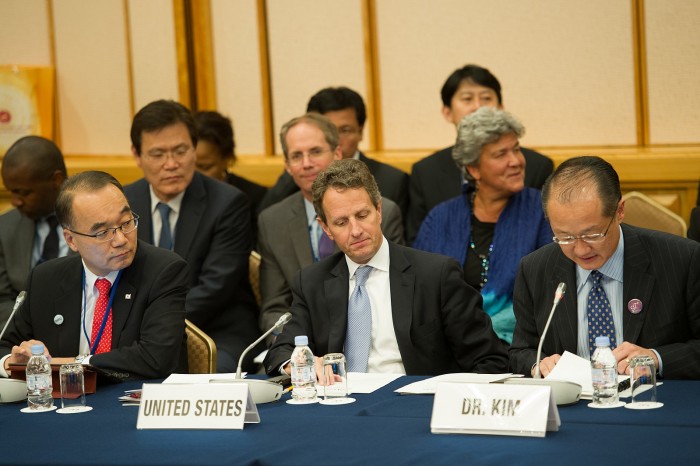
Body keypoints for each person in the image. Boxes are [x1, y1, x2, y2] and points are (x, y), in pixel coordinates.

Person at [264, 158, 508, 377]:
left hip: (411, 403)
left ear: (379, 211)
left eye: (362, 215)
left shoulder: (436, 275)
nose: (356, 230)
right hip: (339, 401)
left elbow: (489, 358)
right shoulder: (311, 283)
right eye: (341, 222)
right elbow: (280, 352)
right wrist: (300, 363)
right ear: (326, 228)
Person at [510, 156, 700, 379]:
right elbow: (520, 351)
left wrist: (656, 358)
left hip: (651, 396)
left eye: (593, 234)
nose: (581, 250)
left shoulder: (682, 259)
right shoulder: (534, 269)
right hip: (572, 399)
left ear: (619, 211)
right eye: (565, 237)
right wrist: (539, 364)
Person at [0, 171, 189, 379]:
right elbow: (5, 346)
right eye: (102, 233)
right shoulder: (45, 279)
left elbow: (156, 357)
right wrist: (11, 361)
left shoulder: (163, 271)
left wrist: (73, 364)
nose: (120, 240)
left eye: (126, 222)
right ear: (71, 240)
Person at [124, 99, 261, 372]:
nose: (171, 164)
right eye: (157, 154)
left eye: (180, 151)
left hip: (215, 329)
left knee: (214, 377)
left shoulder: (228, 203)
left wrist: (154, 323)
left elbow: (215, 288)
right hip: (138, 331)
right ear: (137, 155)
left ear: (194, 149)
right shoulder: (123, 202)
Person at [413, 107, 552, 345]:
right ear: (473, 169)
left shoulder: (543, 212)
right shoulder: (440, 219)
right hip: (447, 346)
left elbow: (549, 291)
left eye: (516, 149)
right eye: (501, 154)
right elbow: (419, 291)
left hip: (521, 346)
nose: (516, 161)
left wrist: (479, 332)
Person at [257, 113, 405, 332]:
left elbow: (392, 292)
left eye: (315, 152)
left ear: (337, 153)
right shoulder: (272, 221)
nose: (307, 164)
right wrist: (294, 344)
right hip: (301, 341)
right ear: (287, 166)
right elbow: (274, 308)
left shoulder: (381, 212)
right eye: (296, 156)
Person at [406, 64, 554, 243]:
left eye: (486, 98)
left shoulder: (538, 167)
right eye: (467, 99)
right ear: (447, 112)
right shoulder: (426, 172)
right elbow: (416, 245)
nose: (478, 107)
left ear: (501, 108)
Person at [257, 87, 409, 216]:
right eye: (327, 130)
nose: (335, 138)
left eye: (344, 130)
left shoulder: (392, 181)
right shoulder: (299, 176)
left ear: (360, 131)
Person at [0, 136, 68, 328]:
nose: (15, 201)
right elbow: (2, 300)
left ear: (56, 180)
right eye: (11, 192)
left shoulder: (96, 223)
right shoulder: (4, 228)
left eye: (24, 193)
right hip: (22, 335)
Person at [194, 110, 268, 243]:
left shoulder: (254, 197)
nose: (194, 175)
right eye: (188, 166)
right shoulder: (174, 195)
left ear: (227, 159)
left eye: (205, 167)